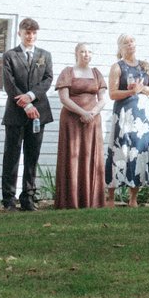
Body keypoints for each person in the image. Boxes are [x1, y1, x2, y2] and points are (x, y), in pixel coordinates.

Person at [0, 19, 52, 212]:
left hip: (39, 112)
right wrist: (25, 104)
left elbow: (47, 79)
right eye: (27, 32)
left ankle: (28, 198)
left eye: (33, 33)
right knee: (11, 156)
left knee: (32, 156)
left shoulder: (44, 55)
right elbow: (9, 83)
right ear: (20, 33)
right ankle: (9, 200)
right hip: (16, 112)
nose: (30, 36)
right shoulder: (10, 56)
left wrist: (31, 97)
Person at [52, 42, 108, 210]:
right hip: (72, 121)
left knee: (91, 156)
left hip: (92, 121)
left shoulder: (97, 73)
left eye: (89, 52)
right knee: (72, 155)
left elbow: (103, 98)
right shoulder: (67, 72)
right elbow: (64, 98)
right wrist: (82, 113)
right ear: (76, 53)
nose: (86, 54)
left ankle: (92, 201)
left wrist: (92, 113)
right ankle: (71, 201)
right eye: (83, 51)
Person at [107, 35, 149, 205]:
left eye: (132, 42)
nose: (130, 45)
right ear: (120, 48)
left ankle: (133, 198)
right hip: (124, 115)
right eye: (125, 43)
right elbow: (112, 93)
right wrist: (131, 92)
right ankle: (110, 197)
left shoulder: (145, 66)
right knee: (119, 151)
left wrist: (142, 88)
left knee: (138, 152)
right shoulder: (117, 67)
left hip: (142, 119)